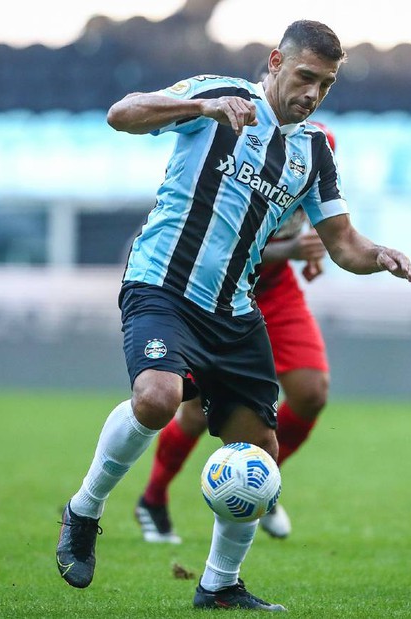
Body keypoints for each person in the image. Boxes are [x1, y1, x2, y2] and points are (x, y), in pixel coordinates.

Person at [55, 20, 411, 612]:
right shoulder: (222, 96)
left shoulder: (315, 150)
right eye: (304, 77)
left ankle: (219, 584)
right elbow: (122, 114)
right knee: (157, 399)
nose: (312, 94)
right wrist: (200, 105)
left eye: (324, 86)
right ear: (275, 62)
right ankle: (85, 508)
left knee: (259, 454)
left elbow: (343, 243)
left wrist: (378, 255)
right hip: (162, 285)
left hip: (233, 310)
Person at [134, 122, 337, 545]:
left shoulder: (317, 151)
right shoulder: (240, 151)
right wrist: (295, 250)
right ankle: (152, 499)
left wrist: (315, 245)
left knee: (311, 391)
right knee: (198, 411)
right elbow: (231, 243)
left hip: (276, 290)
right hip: (217, 290)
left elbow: (316, 210)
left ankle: (261, 480)